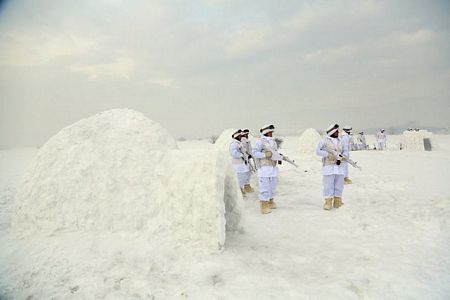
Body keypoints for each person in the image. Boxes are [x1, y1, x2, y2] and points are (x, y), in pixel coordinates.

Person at [252, 124, 283, 214]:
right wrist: (264, 155)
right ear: (266, 132)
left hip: (273, 168)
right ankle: (264, 204)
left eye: (272, 132)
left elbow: (274, 153)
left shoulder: (273, 142)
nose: (271, 134)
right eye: (270, 132)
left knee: (273, 186)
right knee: (264, 187)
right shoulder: (260, 142)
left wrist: (279, 157)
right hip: (264, 168)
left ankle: (270, 200)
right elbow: (254, 153)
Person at [316, 123, 345, 210]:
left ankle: (337, 200)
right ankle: (328, 201)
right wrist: (328, 155)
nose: (338, 133)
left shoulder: (340, 140)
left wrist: (341, 157)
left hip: (339, 167)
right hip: (329, 167)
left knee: (339, 184)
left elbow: (342, 152)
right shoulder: (324, 140)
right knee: (328, 185)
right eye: (336, 131)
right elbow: (317, 151)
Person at [229, 129, 251, 195]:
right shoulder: (234, 144)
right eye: (239, 136)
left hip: (241, 164)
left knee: (243, 177)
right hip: (237, 165)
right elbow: (234, 153)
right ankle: (239, 191)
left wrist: (246, 155)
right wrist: (242, 155)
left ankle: (241, 189)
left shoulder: (239, 143)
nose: (241, 137)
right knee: (239, 179)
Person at [240, 128, 255, 193]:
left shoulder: (247, 140)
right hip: (242, 160)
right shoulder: (241, 141)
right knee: (243, 174)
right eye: (246, 134)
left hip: (247, 159)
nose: (247, 135)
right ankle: (241, 189)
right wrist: (246, 155)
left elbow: (249, 150)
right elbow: (242, 150)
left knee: (248, 173)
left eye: (247, 133)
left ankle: (247, 186)